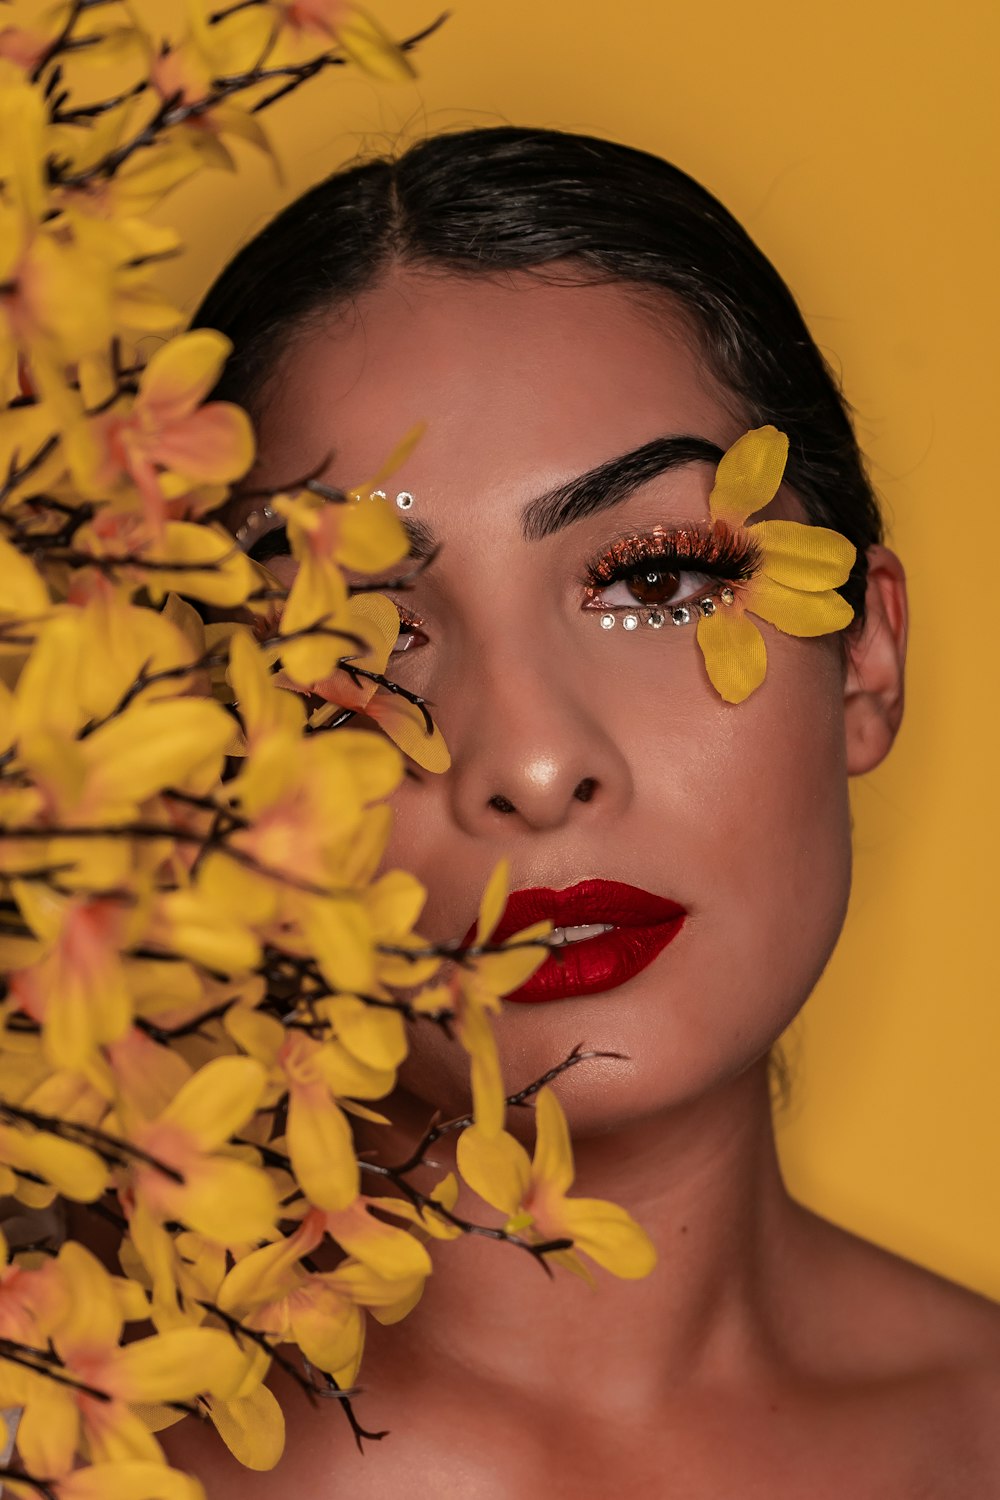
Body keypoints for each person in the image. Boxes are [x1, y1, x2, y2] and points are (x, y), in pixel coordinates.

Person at [175, 127, 1000, 1496]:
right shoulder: (69, 1441)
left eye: (660, 583)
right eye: (357, 637)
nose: (536, 761)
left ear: (865, 656)